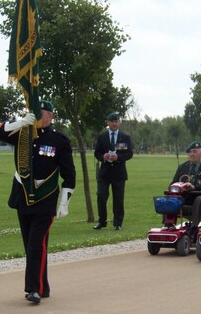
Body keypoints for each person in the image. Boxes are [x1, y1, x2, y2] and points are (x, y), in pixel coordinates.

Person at [0, 100, 76, 304]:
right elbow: (0, 130)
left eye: (44, 113)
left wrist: (64, 202)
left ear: (51, 116)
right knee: (32, 245)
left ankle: (33, 289)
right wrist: (20, 122)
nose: (40, 116)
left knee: (36, 244)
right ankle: (43, 286)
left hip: (45, 199)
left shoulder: (59, 140)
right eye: (36, 112)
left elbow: (69, 174)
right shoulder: (22, 133)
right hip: (23, 197)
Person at [94, 112, 133, 230]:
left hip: (119, 173)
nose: (114, 124)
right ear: (107, 122)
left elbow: (129, 153)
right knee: (101, 196)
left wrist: (119, 158)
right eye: (112, 121)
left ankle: (117, 223)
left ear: (119, 123)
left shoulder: (125, 137)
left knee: (118, 199)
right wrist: (103, 157)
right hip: (104, 173)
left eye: (116, 121)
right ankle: (102, 221)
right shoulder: (102, 137)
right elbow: (97, 153)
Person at [171, 141, 201, 240]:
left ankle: (194, 228)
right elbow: (173, 183)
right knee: (168, 199)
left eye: (195, 151)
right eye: (190, 152)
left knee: (200, 199)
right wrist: (179, 186)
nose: (192, 154)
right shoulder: (182, 167)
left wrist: (194, 187)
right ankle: (169, 225)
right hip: (185, 198)